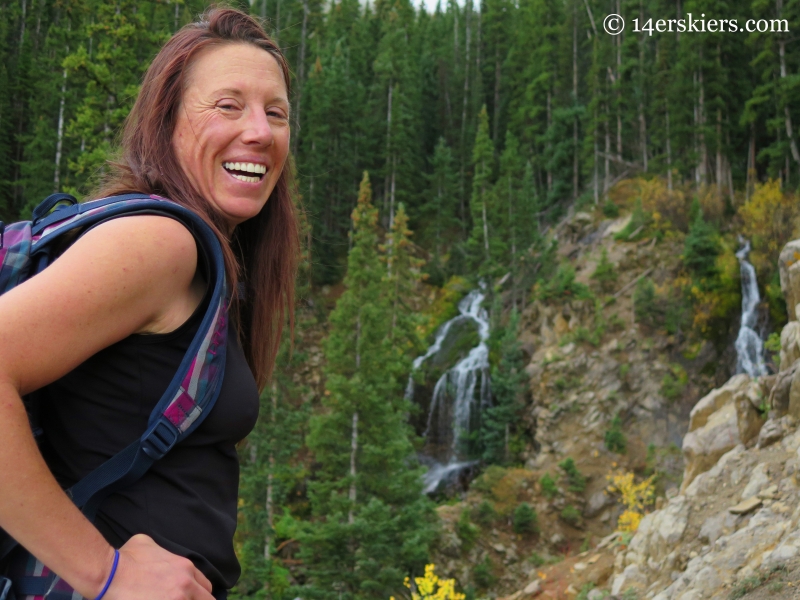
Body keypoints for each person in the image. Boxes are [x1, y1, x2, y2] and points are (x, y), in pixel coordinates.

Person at [0, 8, 299, 600]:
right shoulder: (162, 242)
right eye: (228, 105)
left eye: (277, 112)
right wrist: (102, 572)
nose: (260, 132)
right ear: (166, 124)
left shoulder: (203, 259)